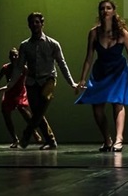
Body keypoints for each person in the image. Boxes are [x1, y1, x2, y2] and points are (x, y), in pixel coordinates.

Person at [75, 0, 128, 153]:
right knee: (97, 108)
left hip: (118, 71)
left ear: (114, 11)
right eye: (102, 8)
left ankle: (119, 139)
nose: (105, 11)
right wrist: (82, 79)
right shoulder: (94, 33)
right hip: (100, 71)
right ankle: (107, 139)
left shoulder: (122, 33)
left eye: (108, 8)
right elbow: (88, 58)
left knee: (118, 103)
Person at [9, 11, 78, 150]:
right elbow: (19, 67)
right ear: (29, 25)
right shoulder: (25, 45)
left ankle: (26, 136)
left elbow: (62, 64)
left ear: (42, 24)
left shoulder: (53, 44)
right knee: (37, 113)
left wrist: (71, 82)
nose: (35, 25)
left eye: (37, 22)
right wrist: (10, 84)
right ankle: (51, 141)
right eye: (32, 22)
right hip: (31, 82)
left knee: (40, 109)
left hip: (48, 80)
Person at [0, 47, 43, 148]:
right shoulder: (6, 68)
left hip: (20, 92)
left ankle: (33, 131)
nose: (14, 57)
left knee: (22, 108)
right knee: (5, 113)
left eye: (16, 55)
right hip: (9, 92)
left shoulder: (24, 68)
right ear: (9, 57)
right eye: (12, 56)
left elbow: (33, 79)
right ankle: (14, 139)